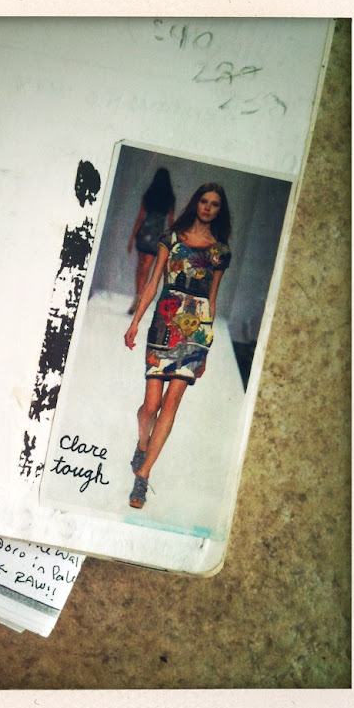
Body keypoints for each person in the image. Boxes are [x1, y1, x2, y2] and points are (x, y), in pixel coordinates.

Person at [123, 182, 232, 509]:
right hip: (165, 321)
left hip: (195, 329)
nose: (208, 207)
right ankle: (142, 442)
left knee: (171, 404)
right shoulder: (171, 238)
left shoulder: (219, 252)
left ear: (219, 210)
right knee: (151, 405)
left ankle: (143, 476)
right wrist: (135, 321)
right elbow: (153, 282)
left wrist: (207, 345)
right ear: (196, 203)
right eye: (204, 201)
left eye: (214, 204)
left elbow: (212, 299)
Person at [127, 168, 175, 314]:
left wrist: (132, 238)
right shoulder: (170, 199)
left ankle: (137, 297)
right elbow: (171, 222)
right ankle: (138, 298)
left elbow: (140, 218)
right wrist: (170, 242)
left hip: (143, 233)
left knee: (140, 266)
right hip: (156, 237)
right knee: (146, 268)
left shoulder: (148, 195)